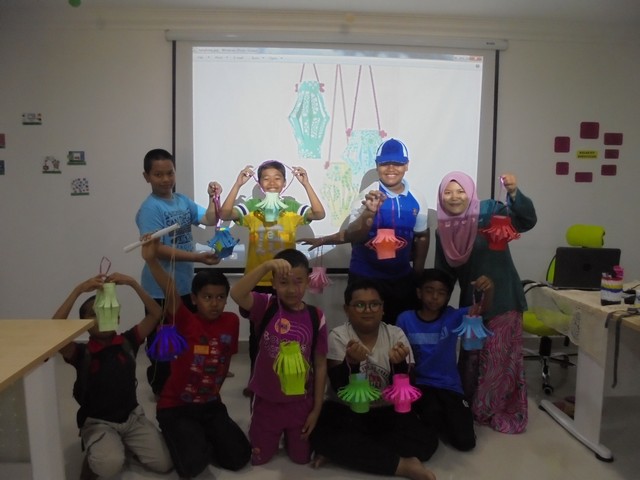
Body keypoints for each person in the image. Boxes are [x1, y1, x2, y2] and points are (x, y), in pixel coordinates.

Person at [434, 171, 537, 434]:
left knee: (498, 360)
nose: (454, 197)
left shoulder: (491, 211)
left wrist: (513, 193)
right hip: (472, 305)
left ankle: (492, 409)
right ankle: (472, 406)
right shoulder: (442, 230)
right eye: (448, 192)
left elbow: (526, 221)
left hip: (504, 298)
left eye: (460, 191)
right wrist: (435, 308)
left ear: (470, 192)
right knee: (471, 359)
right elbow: (444, 274)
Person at [143, 236, 251, 478]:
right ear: (194, 299)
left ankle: (200, 434)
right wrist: (151, 261)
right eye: (207, 297)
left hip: (210, 404)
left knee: (239, 458)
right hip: (176, 407)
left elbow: (223, 357)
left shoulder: (231, 322)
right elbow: (170, 290)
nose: (214, 303)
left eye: (220, 297)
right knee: (193, 467)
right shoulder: (185, 320)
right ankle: (188, 435)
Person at [310, 279, 437, 480]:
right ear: (347, 309)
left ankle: (348, 453)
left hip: (385, 410)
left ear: (383, 308)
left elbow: (408, 388)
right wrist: (352, 363)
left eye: (374, 304)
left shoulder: (395, 334)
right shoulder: (339, 336)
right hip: (347, 411)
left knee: (427, 443)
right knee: (319, 436)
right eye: (359, 305)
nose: (368, 310)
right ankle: (402, 466)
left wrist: (399, 365)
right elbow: (339, 385)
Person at [54, 268, 173, 480]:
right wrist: (78, 290)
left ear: (117, 316)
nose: (102, 316)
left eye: (107, 310)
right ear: (84, 324)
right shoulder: (81, 353)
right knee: (108, 467)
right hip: (98, 422)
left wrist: (133, 283)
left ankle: (122, 442)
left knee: (164, 464)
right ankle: (97, 449)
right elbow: (53, 331)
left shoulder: (128, 341)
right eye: (94, 313)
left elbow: (156, 314)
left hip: (132, 417)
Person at [219, 160, 326, 395]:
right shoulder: (252, 207)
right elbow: (224, 213)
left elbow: (319, 213)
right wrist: (237, 184)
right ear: (259, 183)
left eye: (277, 178)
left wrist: (306, 183)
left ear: (285, 182)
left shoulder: (291, 207)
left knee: (286, 332)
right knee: (257, 334)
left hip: (285, 283)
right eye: (266, 178)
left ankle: (284, 377)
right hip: (257, 283)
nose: (272, 182)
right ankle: (255, 381)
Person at [230, 248, 328, 466]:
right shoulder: (266, 305)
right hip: (266, 401)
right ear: (273, 283)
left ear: (308, 281)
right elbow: (236, 293)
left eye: (298, 282)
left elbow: (320, 365)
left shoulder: (316, 316)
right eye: (283, 282)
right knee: (260, 458)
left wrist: (316, 409)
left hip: (301, 403)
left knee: (301, 459)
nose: (291, 290)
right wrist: (266, 266)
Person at [136, 148, 222, 395]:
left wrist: (213, 198)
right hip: (159, 288)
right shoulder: (150, 209)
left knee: (185, 337)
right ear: (146, 176)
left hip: (184, 285)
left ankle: (183, 381)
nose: (165, 179)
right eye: (158, 174)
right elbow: (157, 250)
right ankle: (161, 389)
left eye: (169, 173)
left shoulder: (182, 200)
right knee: (162, 343)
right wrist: (197, 257)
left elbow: (208, 219)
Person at [397, 268, 493, 452]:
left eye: (441, 293)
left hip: (449, 386)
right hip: (421, 385)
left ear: (447, 297)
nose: (435, 297)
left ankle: (445, 420)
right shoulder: (405, 319)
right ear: (419, 292)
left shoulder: (452, 316)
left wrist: (489, 289)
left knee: (465, 442)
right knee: (431, 415)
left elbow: (482, 308)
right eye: (429, 291)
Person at [345, 138, 430, 324]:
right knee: (363, 332)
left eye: (397, 163)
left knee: (399, 332)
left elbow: (422, 235)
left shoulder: (417, 198)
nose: (391, 168)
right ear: (377, 166)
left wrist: (417, 272)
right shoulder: (366, 196)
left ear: (406, 165)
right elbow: (352, 236)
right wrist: (368, 213)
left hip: (401, 280)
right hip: (365, 279)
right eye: (385, 163)